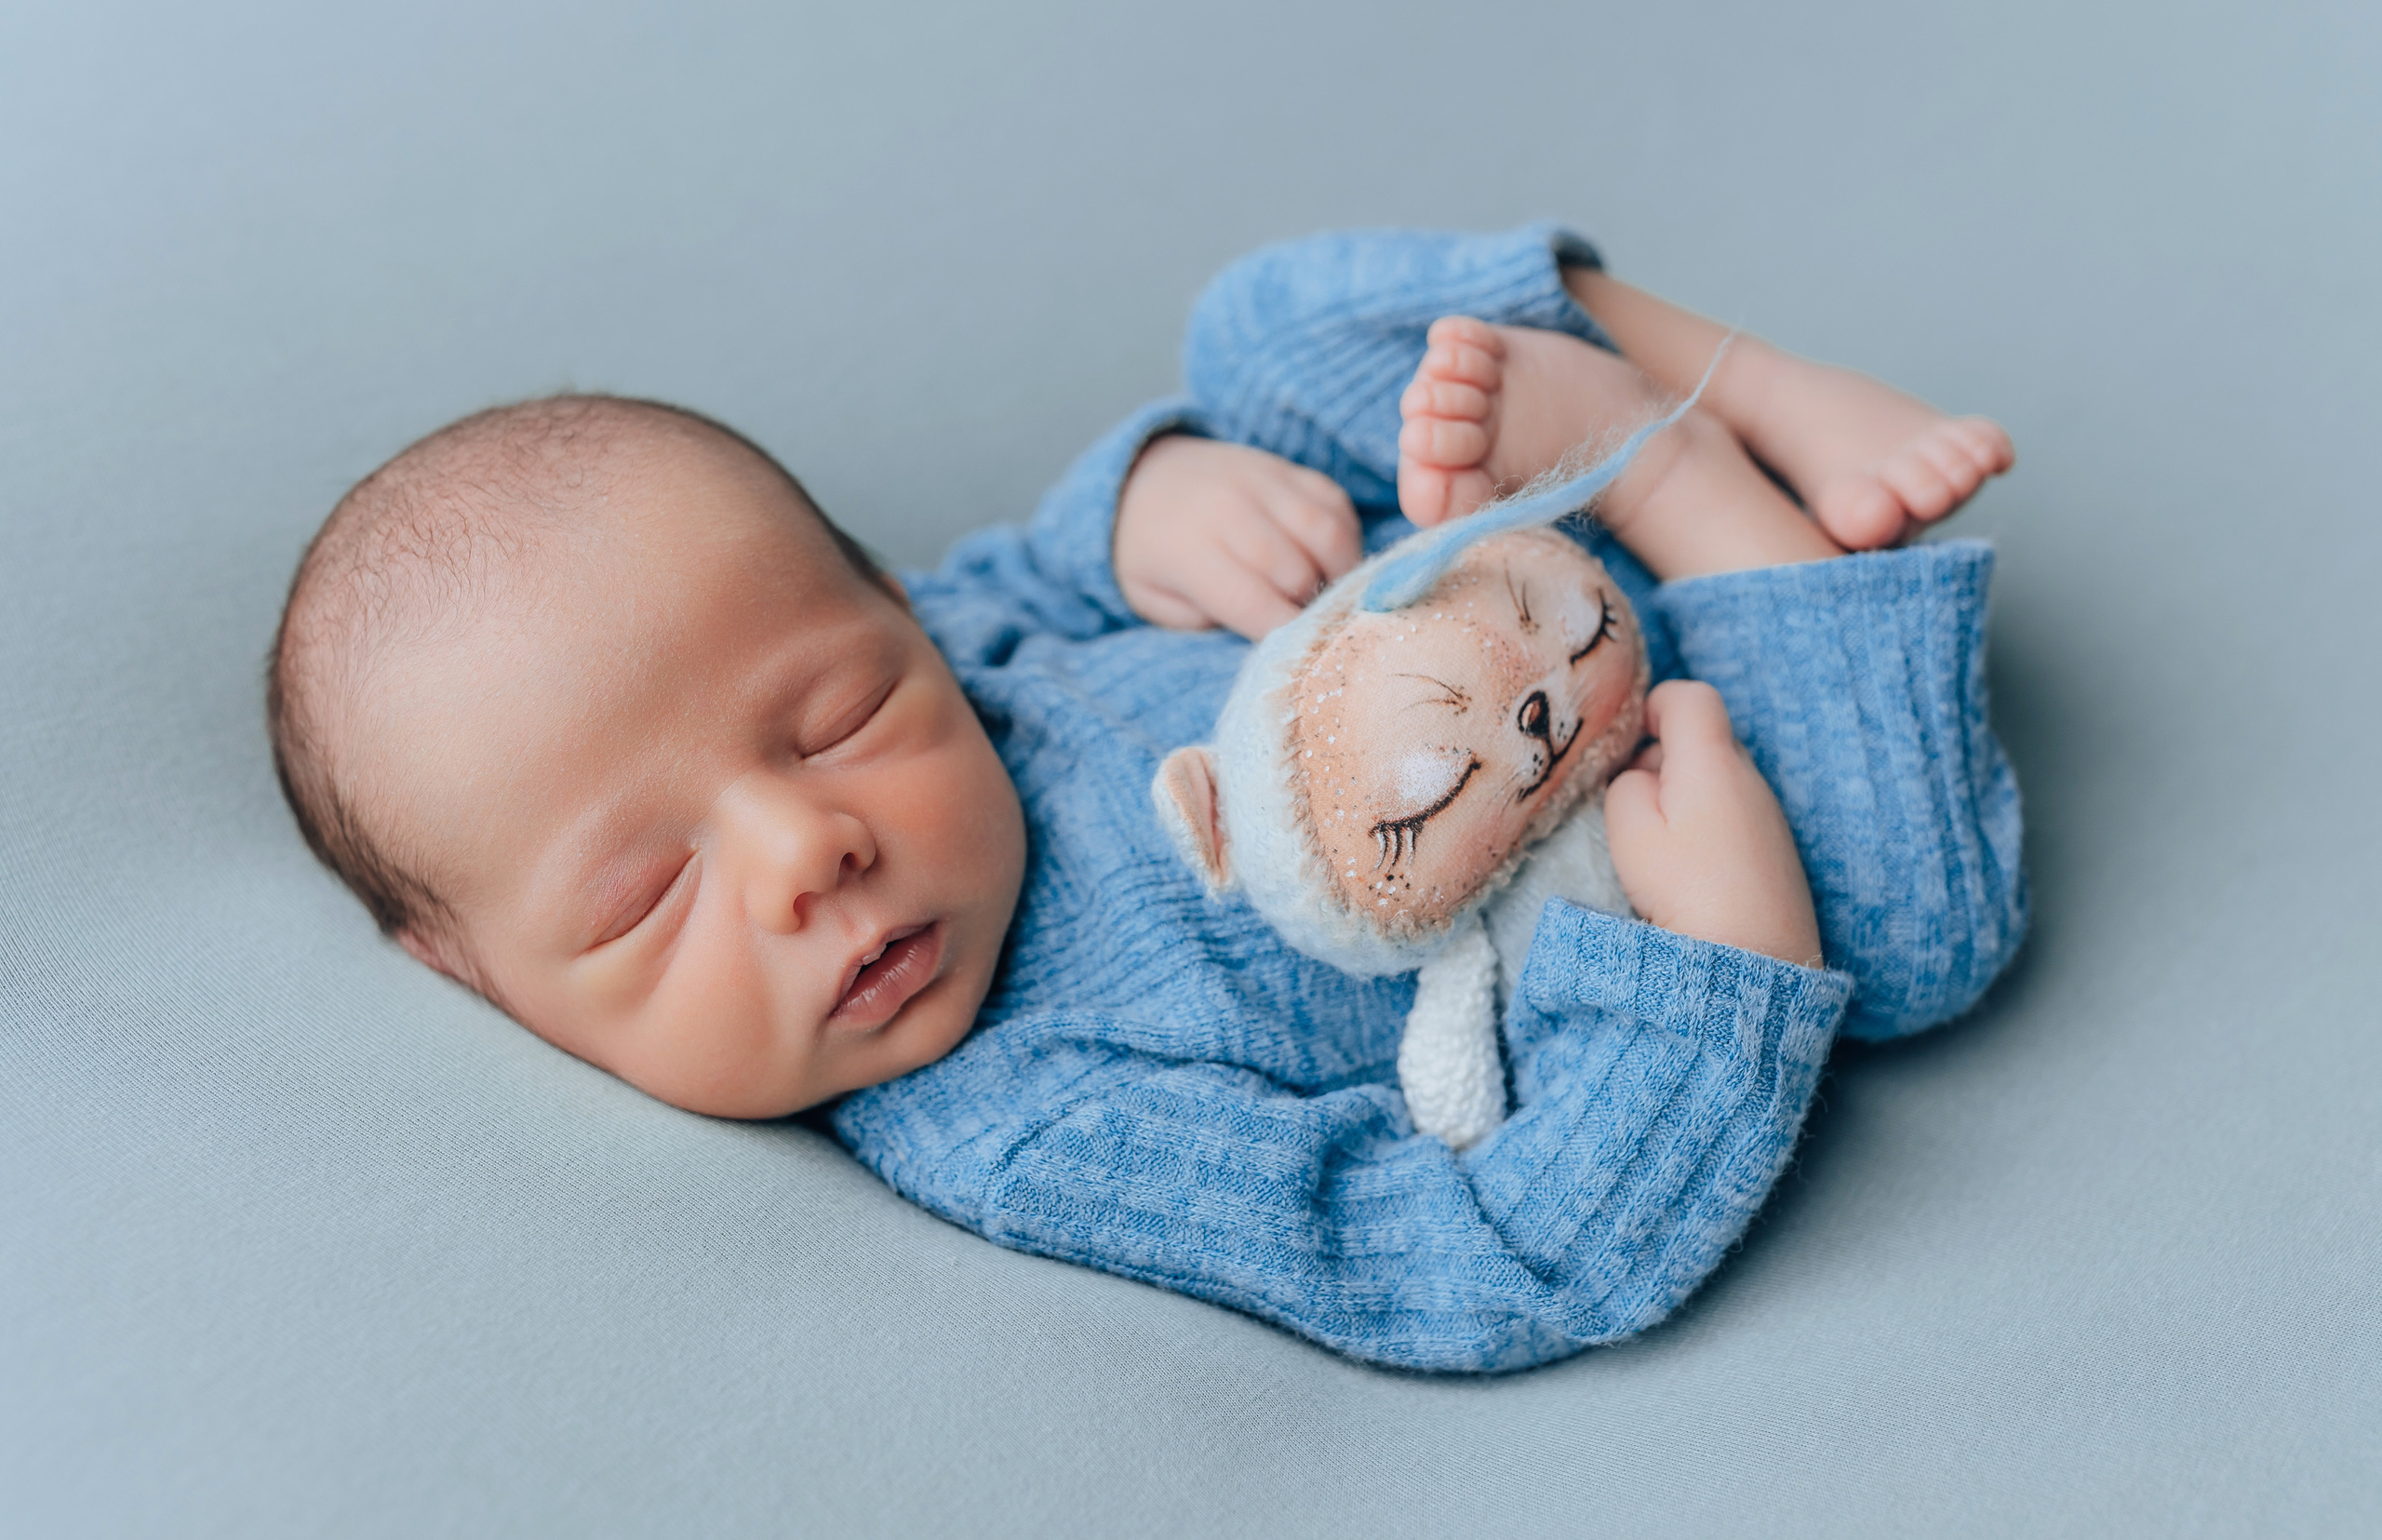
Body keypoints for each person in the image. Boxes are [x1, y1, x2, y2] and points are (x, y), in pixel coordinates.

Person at [266, 224, 2024, 1371]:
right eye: (650, 898)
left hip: (1448, 574)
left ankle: (1724, 383)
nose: (815, 845)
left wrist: (1145, 504)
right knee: (1919, 944)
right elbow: (1461, 1260)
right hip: (1655, 857)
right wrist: (1715, 974)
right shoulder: (1033, 1121)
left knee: (1261, 333)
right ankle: (1703, 489)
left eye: (839, 712)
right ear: (479, 976)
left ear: (892, 624)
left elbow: (1003, 579)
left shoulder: (943, 651)